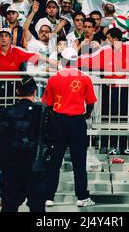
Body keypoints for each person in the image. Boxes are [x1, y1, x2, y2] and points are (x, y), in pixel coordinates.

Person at [42, 47, 97, 208]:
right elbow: (91, 102)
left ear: (62, 60)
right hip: (77, 121)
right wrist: (86, 115)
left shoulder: (54, 78)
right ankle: (82, 197)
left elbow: (48, 104)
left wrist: (54, 118)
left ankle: (49, 196)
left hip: (58, 121)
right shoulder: (84, 78)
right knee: (79, 161)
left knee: (54, 162)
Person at [0, 76, 50, 212]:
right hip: (35, 167)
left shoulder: (6, 112)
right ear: (35, 92)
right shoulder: (41, 112)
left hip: (10, 166)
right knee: (37, 208)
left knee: (9, 207)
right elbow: (51, 139)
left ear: (17, 92)